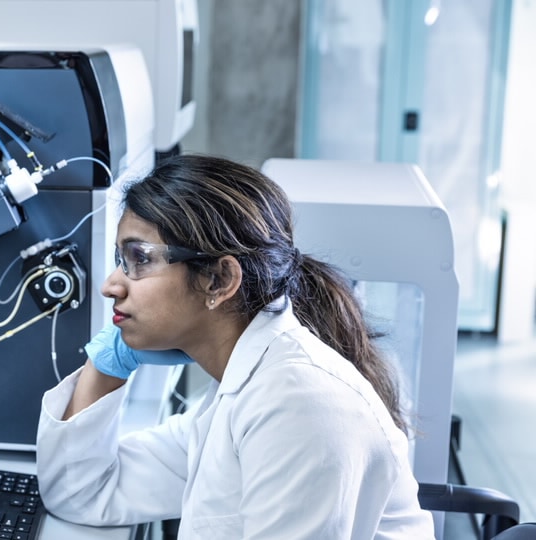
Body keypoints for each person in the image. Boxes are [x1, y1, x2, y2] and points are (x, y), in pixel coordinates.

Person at [35, 154, 436, 539]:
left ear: (219, 280)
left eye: (139, 259)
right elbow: (85, 493)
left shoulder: (299, 405)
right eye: (121, 259)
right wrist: (107, 366)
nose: (111, 285)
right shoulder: (237, 390)